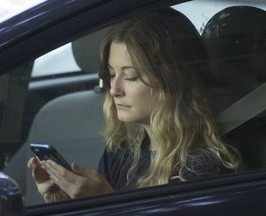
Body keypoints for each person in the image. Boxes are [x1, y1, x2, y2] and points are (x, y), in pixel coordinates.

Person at [28, 8, 241, 203]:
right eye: (111, 75)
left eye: (131, 77)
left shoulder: (202, 169)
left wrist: (106, 203)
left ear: (172, 82)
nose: (114, 89)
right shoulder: (122, 151)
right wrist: (66, 204)